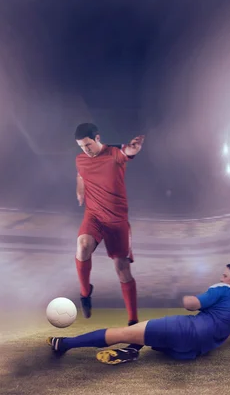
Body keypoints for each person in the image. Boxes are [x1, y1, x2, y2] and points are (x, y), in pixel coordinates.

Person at [47, 263, 230, 365]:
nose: (221, 277)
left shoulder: (224, 288)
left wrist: (182, 297)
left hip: (184, 330)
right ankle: (131, 351)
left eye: (225, 275)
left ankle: (63, 344)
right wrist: (227, 330)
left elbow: (193, 304)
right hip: (192, 353)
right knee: (149, 337)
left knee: (124, 332)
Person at [73, 122, 145, 327]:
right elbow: (80, 174)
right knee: (82, 245)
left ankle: (133, 321)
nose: (85, 150)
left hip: (117, 220)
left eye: (87, 145)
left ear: (97, 138)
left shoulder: (114, 153)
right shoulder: (80, 159)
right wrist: (80, 189)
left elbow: (128, 151)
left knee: (122, 269)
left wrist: (135, 148)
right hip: (94, 215)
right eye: (81, 146)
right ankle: (85, 293)